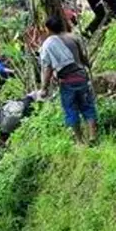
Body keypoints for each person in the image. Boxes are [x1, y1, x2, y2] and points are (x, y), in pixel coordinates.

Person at [38, 14, 98, 142]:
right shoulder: (73, 37)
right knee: (88, 106)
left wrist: (44, 88)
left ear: (48, 29)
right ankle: (92, 136)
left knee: (71, 109)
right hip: (81, 77)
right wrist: (88, 66)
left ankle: (79, 141)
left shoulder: (48, 44)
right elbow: (83, 57)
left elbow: (47, 68)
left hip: (67, 81)